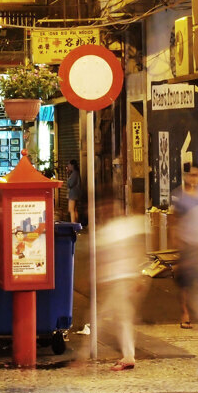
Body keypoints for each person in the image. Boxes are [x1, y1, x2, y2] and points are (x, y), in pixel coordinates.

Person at [94, 190, 146, 371]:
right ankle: (127, 355)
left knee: (111, 317)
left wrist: (137, 275)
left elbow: (136, 249)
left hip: (123, 280)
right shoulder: (111, 230)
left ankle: (128, 356)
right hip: (119, 279)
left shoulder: (119, 228)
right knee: (120, 317)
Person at [170, 163, 198, 329]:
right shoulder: (179, 196)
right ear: (185, 176)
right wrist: (177, 241)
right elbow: (174, 220)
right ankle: (185, 313)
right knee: (185, 283)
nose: (194, 178)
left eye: (197, 175)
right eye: (191, 175)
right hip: (188, 244)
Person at [66, 159, 83, 224]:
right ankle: (76, 224)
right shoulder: (76, 173)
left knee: (71, 209)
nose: (68, 166)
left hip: (73, 194)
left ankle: (73, 224)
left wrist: (68, 176)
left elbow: (70, 184)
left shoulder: (74, 174)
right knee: (74, 209)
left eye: (69, 164)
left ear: (72, 165)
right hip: (76, 194)